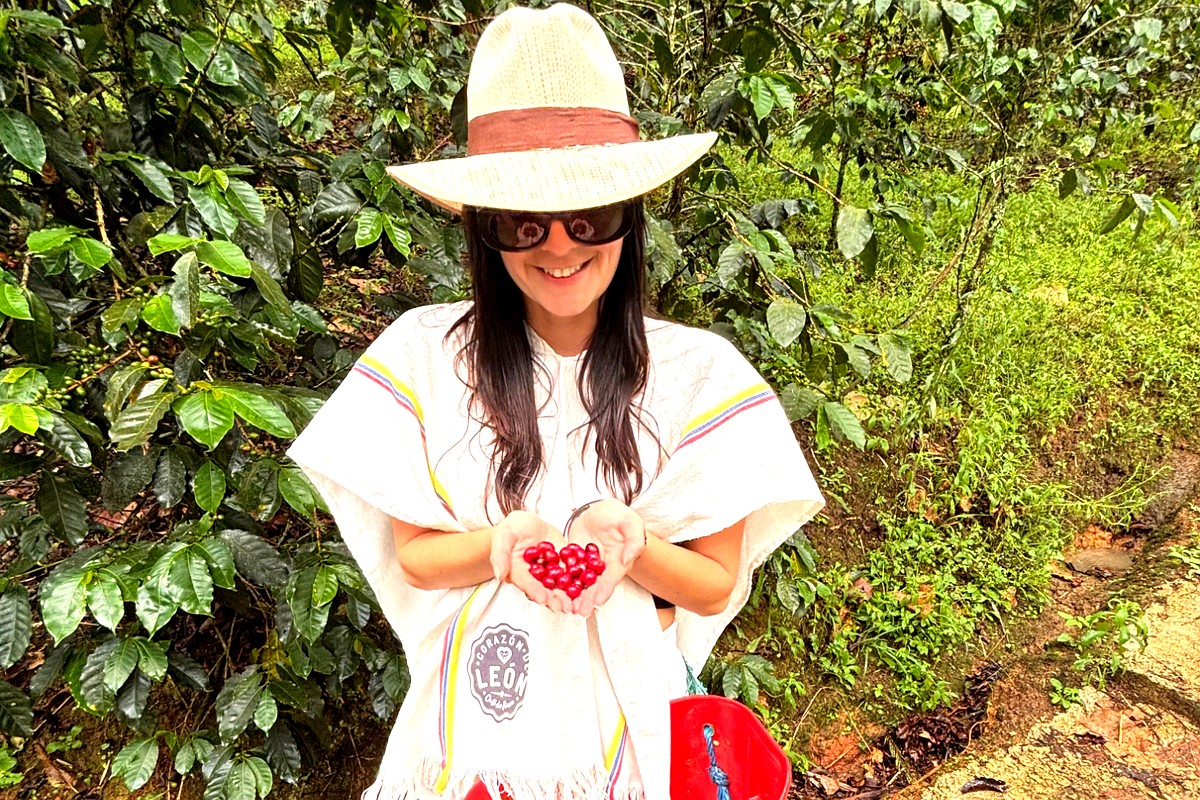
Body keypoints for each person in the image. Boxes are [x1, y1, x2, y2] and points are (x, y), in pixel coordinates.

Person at [286, 4, 824, 799]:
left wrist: (634, 547)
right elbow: (415, 557)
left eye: (588, 217)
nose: (560, 247)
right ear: (483, 230)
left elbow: (713, 583)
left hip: (627, 738)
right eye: (523, 225)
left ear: (631, 218)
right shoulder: (426, 355)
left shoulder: (699, 373)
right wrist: (499, 545)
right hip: (470, 733)